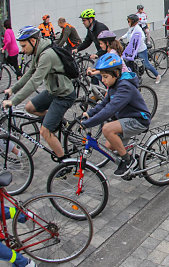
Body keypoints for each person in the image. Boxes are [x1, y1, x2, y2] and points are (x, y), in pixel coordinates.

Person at [3, 26, 75, 160]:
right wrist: (13, 89)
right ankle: (57, 120)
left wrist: (14, 101)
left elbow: (34, 81)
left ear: (33, 41)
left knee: (44, 131)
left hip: (63, 94)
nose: (22, 50)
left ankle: (64, 162)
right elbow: (29, 73)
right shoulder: (38, 51)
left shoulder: (46, 55)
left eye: (24, 46)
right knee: (29, 107)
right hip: (52, 90)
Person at [82, 53, 151, 176]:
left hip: (139, 120)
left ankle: (128, 161)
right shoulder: (114, 85)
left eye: (105, 77)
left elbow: (109, 109)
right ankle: (134, 160)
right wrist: (89, 113)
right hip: (126, 119)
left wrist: (89, 123)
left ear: (117, 74)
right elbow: (104, 103)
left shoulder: (124, 87)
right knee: (109, 147)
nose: (103, 80)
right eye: (102, 77)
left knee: (107, 129)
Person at [121, 14, 161, 84]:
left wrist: (136, 41)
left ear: (134, 22)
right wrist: (121, 37)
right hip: (133, 50)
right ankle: (134, 77)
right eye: (128, 21)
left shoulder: (138, 28)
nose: (128, 22)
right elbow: (127, 33)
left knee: (146, 65)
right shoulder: (131, 28)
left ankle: (157, 75)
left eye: (129, 21)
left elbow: (142, 37)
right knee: (130, 64)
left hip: (140, 50)